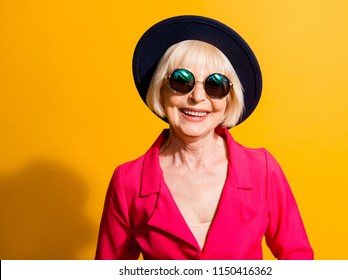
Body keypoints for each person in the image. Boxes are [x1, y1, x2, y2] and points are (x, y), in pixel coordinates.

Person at [95, 15, 314, 260]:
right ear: (161, 90)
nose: (198, 97)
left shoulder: (262, 169)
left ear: (229, 99)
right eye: (181, 81)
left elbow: (298, 258)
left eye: (215, 85)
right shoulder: (128, 182)